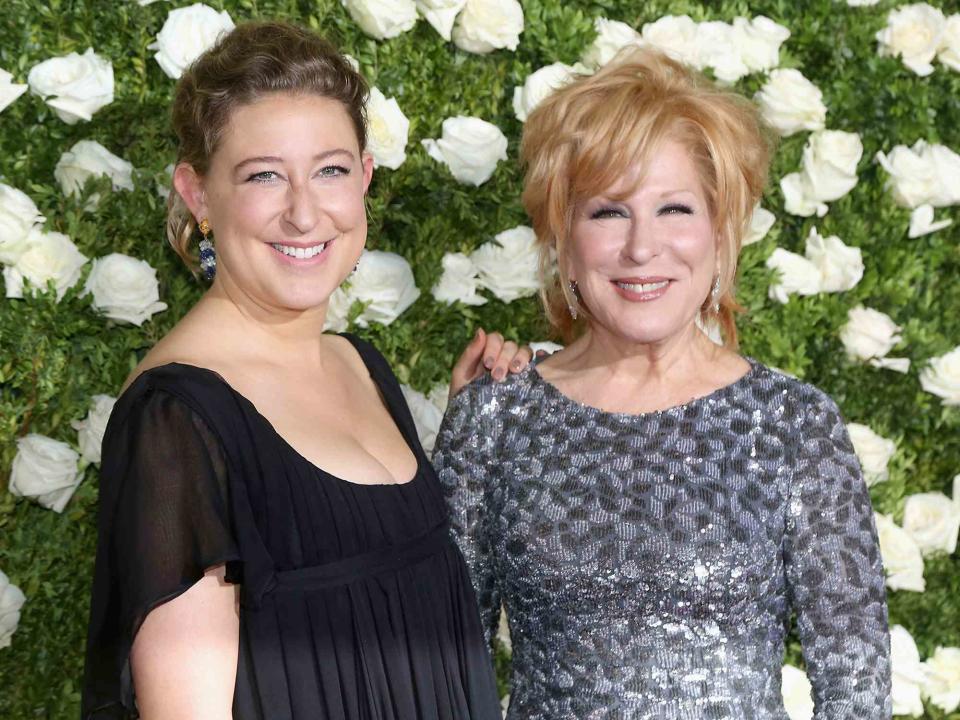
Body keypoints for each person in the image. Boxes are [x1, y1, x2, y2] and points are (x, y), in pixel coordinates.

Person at [82, 21, 527, 720]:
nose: (303, 212)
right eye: (263, 175)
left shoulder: (362, 365)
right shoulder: (177, 421)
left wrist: (466, 438)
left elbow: (391, 597)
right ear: (198, 195)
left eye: (330, 170)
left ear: (365, 179)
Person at [433, 48, 892, 718]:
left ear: (720, 229)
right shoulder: (494, 419)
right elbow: (448, 676)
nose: (642, 248)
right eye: (608, 212)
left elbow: (857, 691)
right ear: (560, 235)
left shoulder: (793, 423)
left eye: (674, 209)